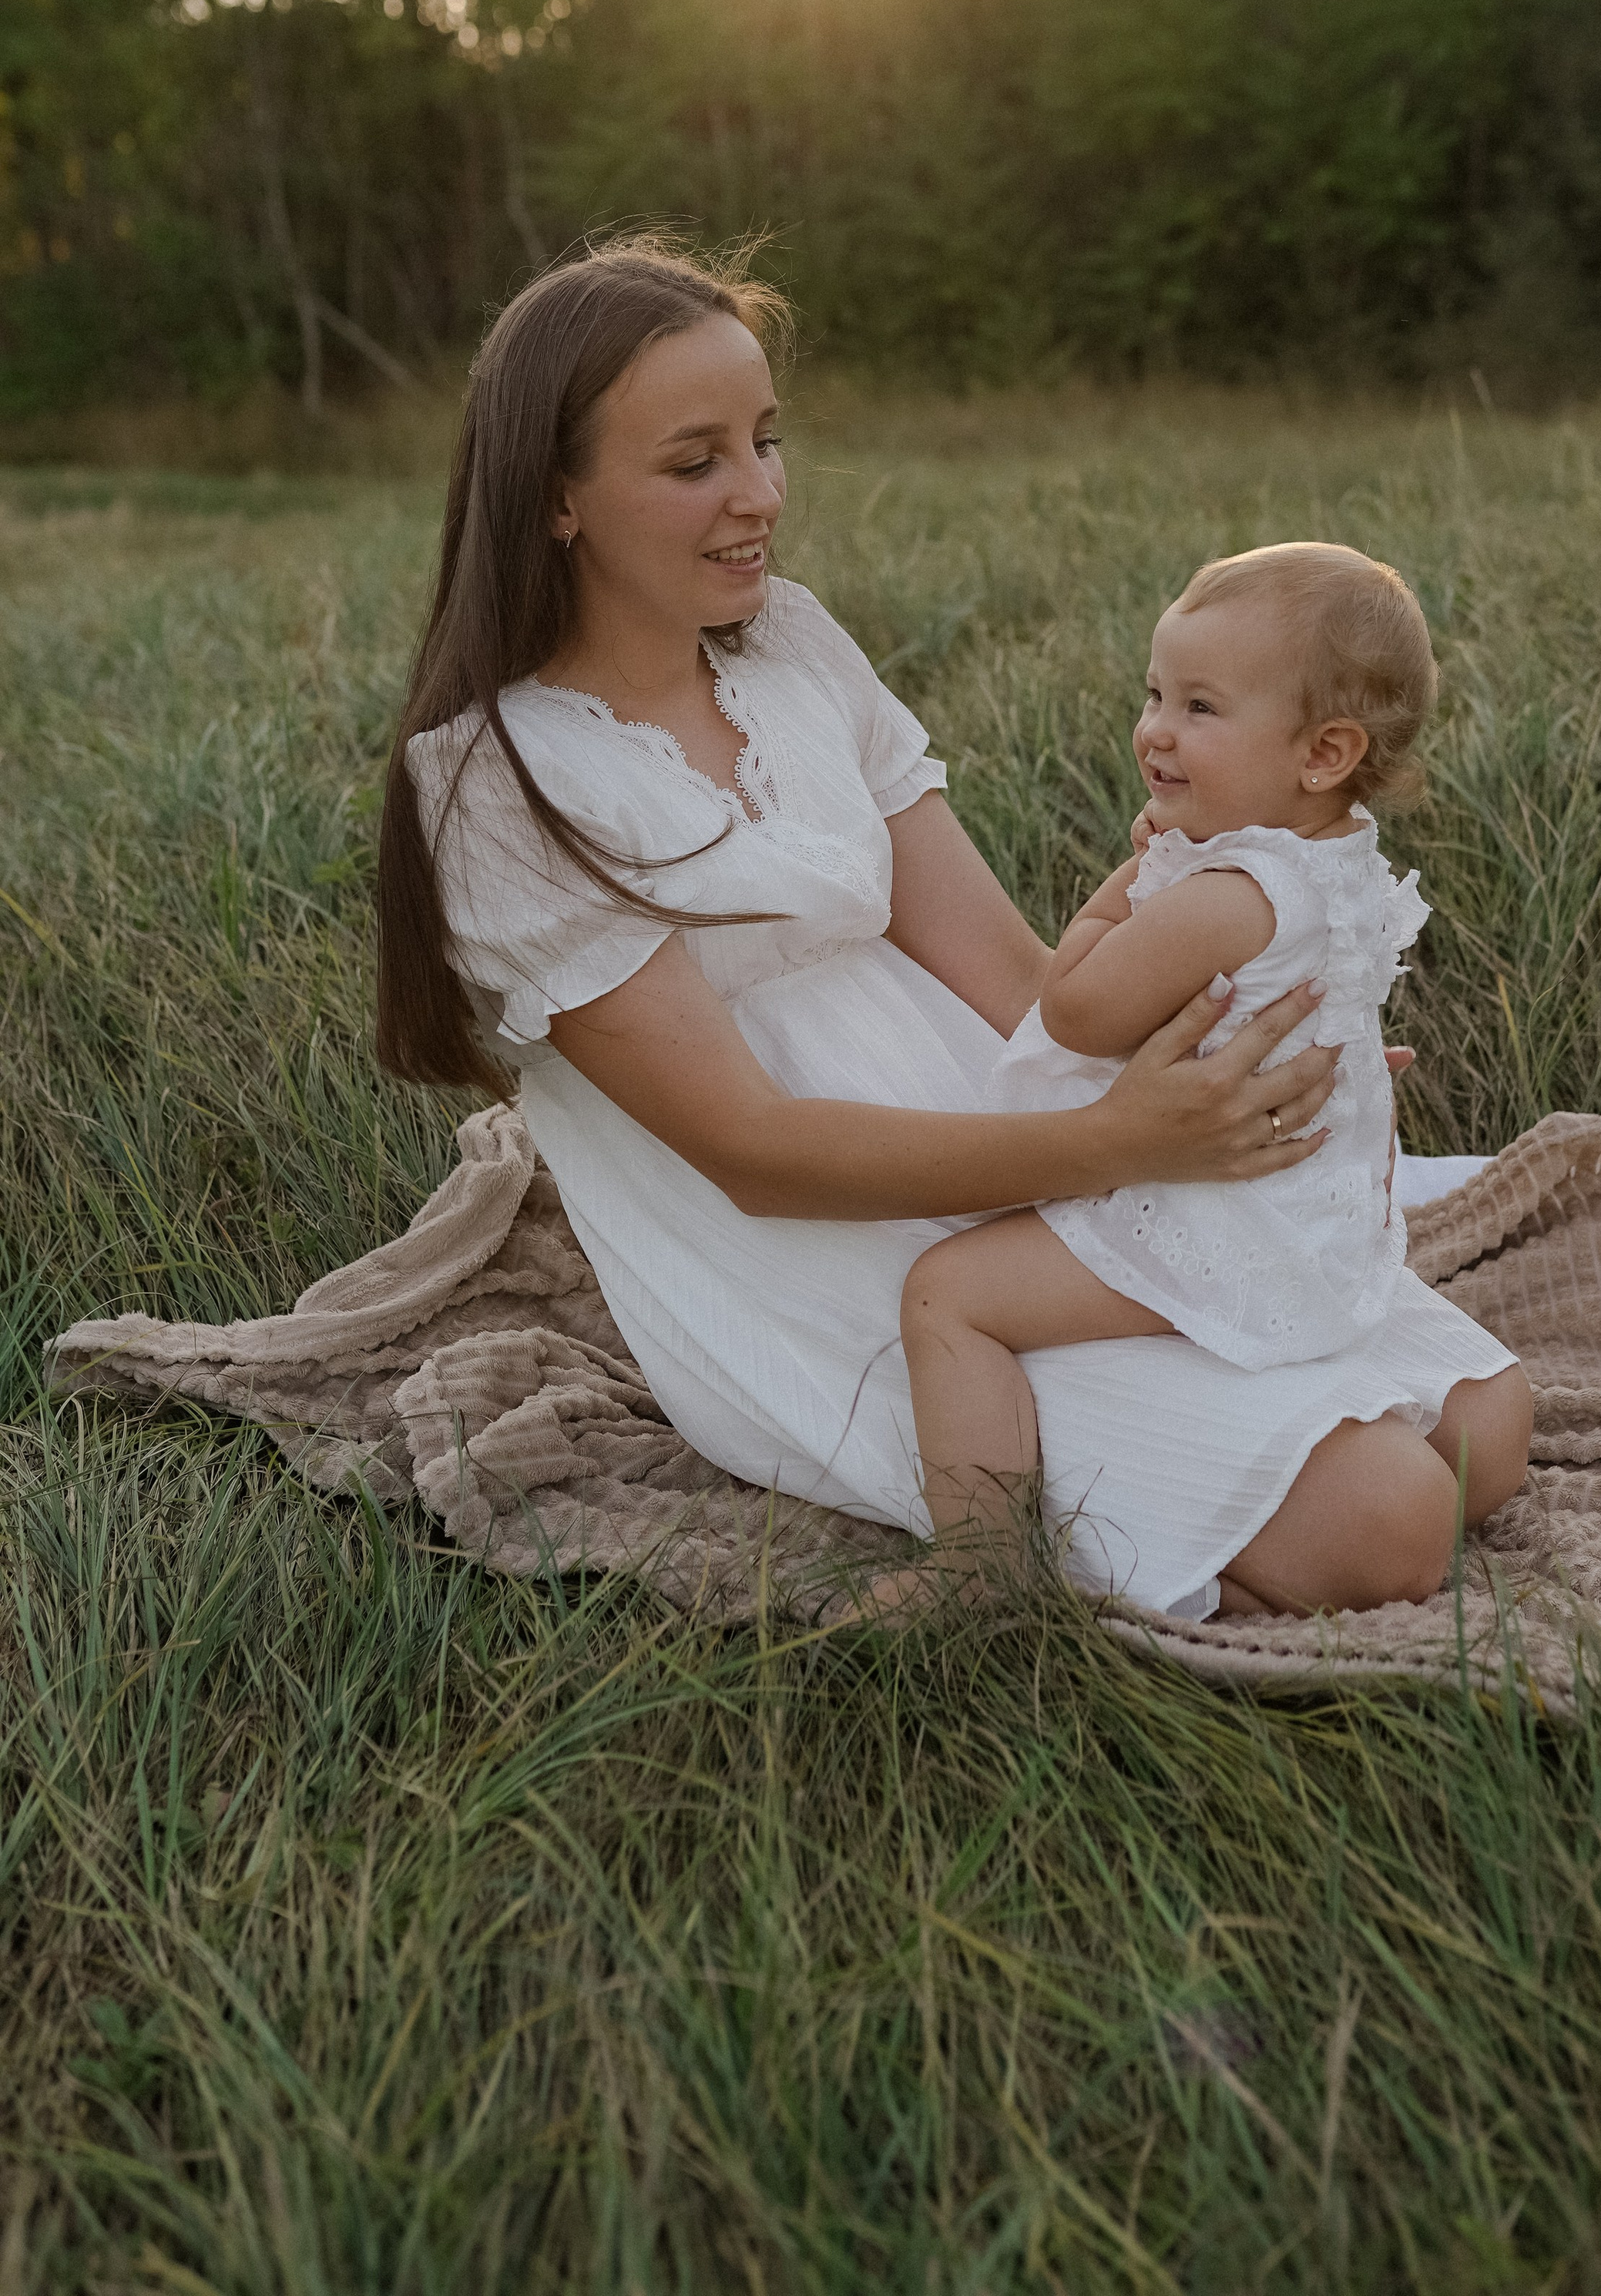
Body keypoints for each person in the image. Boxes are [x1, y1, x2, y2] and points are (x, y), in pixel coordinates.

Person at [376, 233, 1526, 1624]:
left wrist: (1243, 1069)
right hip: (812, 1240)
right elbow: (749, 1154)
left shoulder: (790, 647)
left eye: (765, 441)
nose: (761, 496)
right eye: (696, 464)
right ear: (556, 499)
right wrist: (1121, 1143)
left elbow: (1010, 979)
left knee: (1486, 1426)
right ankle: (1001, 1549)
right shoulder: (500, 788)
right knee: (1396, 1525)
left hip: (1016, 1137)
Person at [885, 543, 1529, 1616]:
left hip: (1207, 1217)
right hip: (1313, 1224)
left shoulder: (1229, 890)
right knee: (1475, 1427)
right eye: (1153, 694)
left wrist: (1132, 879)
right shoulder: (1343, 859)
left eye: (1199, 706)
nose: (1155, 731)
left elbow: (1077, 1007)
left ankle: (978, 1562)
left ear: (1323, 753)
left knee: (945, 1292)